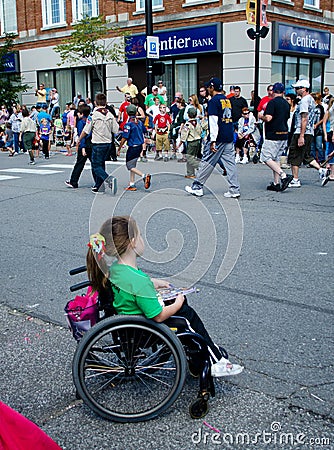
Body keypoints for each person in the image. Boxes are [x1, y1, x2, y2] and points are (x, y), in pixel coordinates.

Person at [86, 215, 244, 378]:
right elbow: (158, 316)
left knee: (180, 307)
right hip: (143, 329)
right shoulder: (138, 281)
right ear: (132, 242)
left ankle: (201, 354)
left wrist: (154, 282)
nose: (142, 239)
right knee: (187, 317)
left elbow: (131, 287)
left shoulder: (116, 270)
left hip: (128, 322)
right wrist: (178, 301)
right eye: (140, 236)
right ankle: (216, 362)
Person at [185, 77, 240, 198]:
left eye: (208, 87)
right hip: (228, 135)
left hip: (218, 136)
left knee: (207, 162)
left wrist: (213, 140)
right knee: (230, 163)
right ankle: (234, 188)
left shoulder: (213, 101)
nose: (207, 89)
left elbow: (214, 121)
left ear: (212, 87)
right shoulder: (227, 100)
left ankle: (197, 186)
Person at [287, 79, 327, 188]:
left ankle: (295, 179)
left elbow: (304, 118)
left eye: (298, 88)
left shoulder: (305, 101)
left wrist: (301, 136)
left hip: (301, 131)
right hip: (309, 132)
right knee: (306, 155)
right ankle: (321, 170)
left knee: (294, 155)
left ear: (304, 89)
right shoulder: (311, 100)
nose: (296, 90)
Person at [78, 93, 119, 194]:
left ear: (95, 103)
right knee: (101, 164)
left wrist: (80, 139)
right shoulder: (110, 115)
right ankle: (99, 186)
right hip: (108, 143)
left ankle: (108, 179)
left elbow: (86, 130)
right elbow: (116, 130)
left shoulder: (93, 115)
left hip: (97, 143)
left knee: (96, 166)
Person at [257, 82, 293, 192]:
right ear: (283, 92)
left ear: (273, 91)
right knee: (276, 158)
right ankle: (276, 183)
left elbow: (268, 118)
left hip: (273, 134)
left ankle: (283, 176)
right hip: (284, 133)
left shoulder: (272, 103)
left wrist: (260, 116)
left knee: (265, 157)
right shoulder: (287, 104)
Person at [117, 104, 151, 191]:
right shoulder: (139, 122)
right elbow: (145, 130)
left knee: (129, 165)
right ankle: (132, 183)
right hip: (139, 146)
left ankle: (144, 176)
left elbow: (124, 137)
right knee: (133, 165)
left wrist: (119, 148)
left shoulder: (128, 125)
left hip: (133, 147)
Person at [65, 105, 93, 189]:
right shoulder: (90, 120)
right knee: (95, 165)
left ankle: (74, 181)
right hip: (92, 144)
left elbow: (82, 134)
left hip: (84, 145)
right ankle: (99, 182)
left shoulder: (81, 122)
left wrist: (83, 147)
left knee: (79, 164)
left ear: (81, 113)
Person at [179, 106, 204, 178]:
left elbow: (184, 135)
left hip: (191, 142)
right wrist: (202, 119)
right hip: (198, 141)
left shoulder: (187, 124)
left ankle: (200, 166)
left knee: (190, 158)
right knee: (193, 156)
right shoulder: (198, 122)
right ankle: (190, 173)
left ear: (188, 114)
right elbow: (205, 126)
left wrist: (180, 143)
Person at [322, 98, 334, 185]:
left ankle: (332, 174)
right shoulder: (328, 112)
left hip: (332, 132)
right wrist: (326, 134)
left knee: (331, 153)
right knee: (330, 152)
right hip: (330, 132)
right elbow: (324, 123)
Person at [311, 92, 325, 163]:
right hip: (311, 129)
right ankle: (313, 160)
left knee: (319, 145)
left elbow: (323, 118)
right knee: (312, 146)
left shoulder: (320, 107)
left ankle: (321, 159)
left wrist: (317, 124)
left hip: (318, 129)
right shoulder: (310, 106)